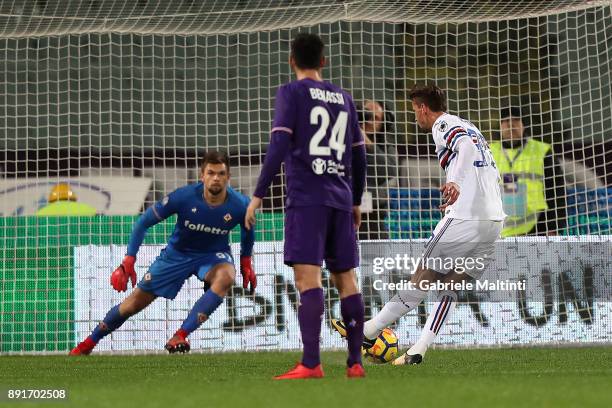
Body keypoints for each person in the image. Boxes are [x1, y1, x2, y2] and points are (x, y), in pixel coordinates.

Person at [332, 84, 506, 365]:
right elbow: (483, 162)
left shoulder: (443, 124)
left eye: (415, 111)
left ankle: (368, 331)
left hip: (466, 217)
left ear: (424, 108)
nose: (416, 117)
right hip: (494, 219)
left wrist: (455, 183)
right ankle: (418, 351)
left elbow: (461, 146)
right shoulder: (471, 126)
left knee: (423, 277)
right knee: (452, 285)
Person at [245, 33, 367, 379]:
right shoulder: (344, 98)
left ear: (291, 60)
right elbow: (359, 156)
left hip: (307, 198)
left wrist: (259, 193)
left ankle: (311, 362)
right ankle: (355, 362)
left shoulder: (291, 92)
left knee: (307, 278)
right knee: (347, 279)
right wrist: (355, 200)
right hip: (341, 199)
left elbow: (280, 142)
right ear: (323, 62)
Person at [70, 151, 256, 355]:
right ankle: (87, 344)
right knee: (131, 305)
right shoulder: (183, 197)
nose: (216, 178)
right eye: (211, 173)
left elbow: (248, 233)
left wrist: (246, 263)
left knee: (226, 276)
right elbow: (143, 223)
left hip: (213, 256)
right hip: (177, 255)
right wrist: (129, 260)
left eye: (221, 174)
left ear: (228, 177)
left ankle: (180, 335)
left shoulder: (241, 205)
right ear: (202, 176)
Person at [490, 107, 567, 236]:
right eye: (505, 120)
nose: (510, 124)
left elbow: (556, 190)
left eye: (515, 119)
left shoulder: (542, 151)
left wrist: (555, 227)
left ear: (524, 125)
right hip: (499, 230)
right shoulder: (489, 152)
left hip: (538, 227)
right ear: (499, 126)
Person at [358, 100, 398, 240]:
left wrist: (365, 140)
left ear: (383, 123)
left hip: (373, 217)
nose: (368, 120)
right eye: (366, 114)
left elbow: (389, 171)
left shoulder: (387, 146)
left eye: (375, 118)